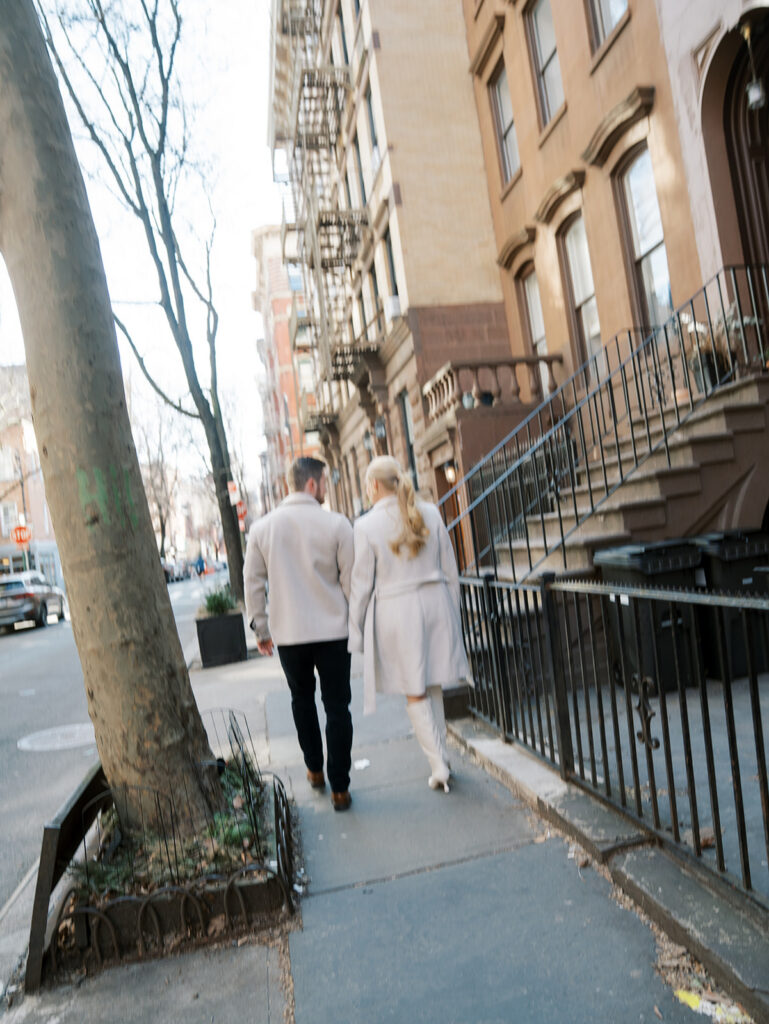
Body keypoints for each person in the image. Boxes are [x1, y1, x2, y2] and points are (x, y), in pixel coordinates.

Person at [347, 455, 469, 793]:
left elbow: (361, 586)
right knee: (433, 683)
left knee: (415, 690)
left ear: (374, 485)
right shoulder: (430, 512)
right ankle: (442, 756)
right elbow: (450, 568)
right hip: (436, 602)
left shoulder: (366, 526)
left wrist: (355, 631)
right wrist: (453, 610)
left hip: (398, 613)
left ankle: (438, 765)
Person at [244, 457, 355, 811]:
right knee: (337, 707)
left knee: (302, 701)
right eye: (323, 482)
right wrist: (358, 623)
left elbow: (253, 583)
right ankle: (340, 788)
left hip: (290, 635)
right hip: (333, 632)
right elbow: (352, 581)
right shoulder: (337, 524)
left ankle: (314, 769)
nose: (325, 488)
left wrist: (261, 628)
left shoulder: (262, 529)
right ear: (311, 484)